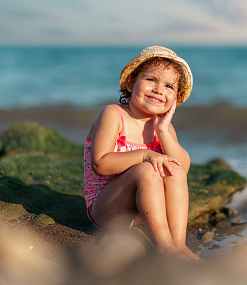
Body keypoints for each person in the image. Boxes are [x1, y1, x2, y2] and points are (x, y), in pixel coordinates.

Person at [83, 45, 201, 261]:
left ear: (175, 98)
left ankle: (179, 245)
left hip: (141, 211)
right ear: (131, 83)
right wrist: (146, 154)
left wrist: (163, 130)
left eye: (168, 86)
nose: (158, 90)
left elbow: (182, 167)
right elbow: (100, 163)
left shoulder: (161, 127)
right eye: (151, 80)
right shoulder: (114, 115)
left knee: (172, 168)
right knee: (147, 170)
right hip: (107, 208)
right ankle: (165, 249)